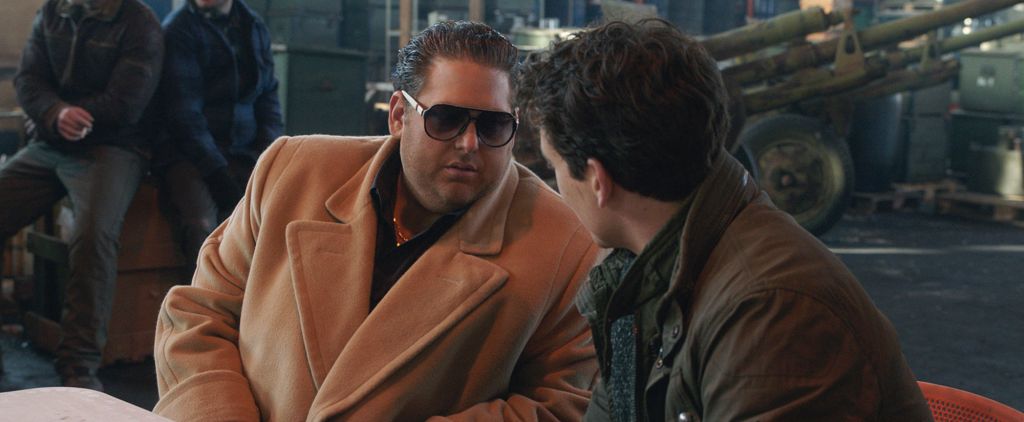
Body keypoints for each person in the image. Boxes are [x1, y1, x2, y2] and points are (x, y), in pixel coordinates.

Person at [153, 21, 599, 421]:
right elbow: (199, 315)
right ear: (399, 116)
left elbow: (562, 402)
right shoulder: (292, 172)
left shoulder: (562, 244)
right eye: (445, 119)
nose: (469, 143)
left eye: (493, 126)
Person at [516, 19, 934, 421]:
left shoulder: (771, 310)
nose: (557, 185)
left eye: (554, 167)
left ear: (597, 180)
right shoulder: (640, 269)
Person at [1, 0, 163, 391]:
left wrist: (69, 116)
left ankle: (79, 365)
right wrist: (55, 113)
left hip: (112, 147)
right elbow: (27, 79)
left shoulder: (139, 22)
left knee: (93, 236)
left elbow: (126, 103)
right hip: (51, 143)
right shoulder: (53, 11)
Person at [158, 0, 283, 269]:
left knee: (281, 215)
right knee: (202, 225)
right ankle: (202, 295)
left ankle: (266, 295)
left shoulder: (253, 26)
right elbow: (184, 114)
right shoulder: (179, 29)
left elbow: (268, 99)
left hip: (245, 150)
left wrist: (268, 153)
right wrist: (216, 171)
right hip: (190, 155)